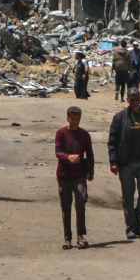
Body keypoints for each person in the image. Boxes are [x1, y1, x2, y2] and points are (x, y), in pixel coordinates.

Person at [108, 88, 140, 240]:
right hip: (125, 164)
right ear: (127, 100)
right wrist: (113, 161)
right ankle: (130, 227)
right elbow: (112, 142)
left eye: (136, 99)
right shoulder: (119, 118)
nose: (135, 102)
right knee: (128, 198)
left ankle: (136, 219)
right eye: (131, 99)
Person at [54, 107, 95, 250]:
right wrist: (68, 157)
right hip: (64, 176)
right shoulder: (61, 133)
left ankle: (81, 236)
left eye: (77, 118)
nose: (75, 121)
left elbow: (90, 154)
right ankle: (67, 238)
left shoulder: (84, 135)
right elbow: (58, 152)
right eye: (72, 118)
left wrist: (90, 172)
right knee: (66, 208)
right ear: (67, 118)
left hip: (79, 175)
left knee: (80, 205)